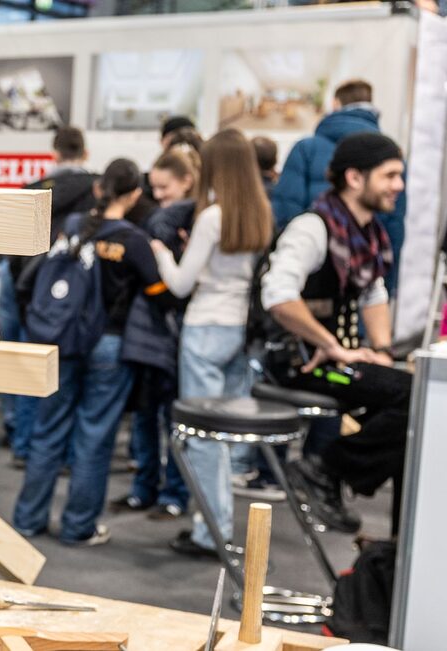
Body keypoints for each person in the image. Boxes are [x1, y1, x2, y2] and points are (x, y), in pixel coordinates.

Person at [12, 159, 176, 546]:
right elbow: (159, 293)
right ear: (135, 194)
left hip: (63, 339)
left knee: (48, 431)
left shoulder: (71, 227)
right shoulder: (133, 240)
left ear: (100, 189)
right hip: (109, 346)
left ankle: (27, 519)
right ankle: (78, 526)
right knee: (94, 436)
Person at [261, 133, 412, 534]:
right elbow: (277, 296)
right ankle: (323, 470)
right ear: (355, 177)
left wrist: (382, 351)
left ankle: (389, 531)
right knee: (411, 395)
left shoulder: (369, 232)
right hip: (301, 362)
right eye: (390, 175)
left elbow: (374, 293)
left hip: (339, 358)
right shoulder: (312, 227)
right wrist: (333, 346)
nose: (399, 185)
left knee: (412, 400)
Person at [151, 130, 273, 558]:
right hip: (237, 329)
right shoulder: (258, 212)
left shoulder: (211, 217)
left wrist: (162, 254)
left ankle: (213, 533)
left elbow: (181, 284)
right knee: (218, 436)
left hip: (204, 327)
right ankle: (216, 527)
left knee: (201, 437)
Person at [112, 145, 200, 520]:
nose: (158, 195)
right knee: (150, 416)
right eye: (155, 188)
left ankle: (172, 493)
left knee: (171, 419)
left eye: (165, 187)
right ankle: (150, 489)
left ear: (187, 181)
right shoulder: (161, 221)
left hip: (174, 332)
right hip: (152, 332)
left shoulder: (189, 221)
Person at [3, 126, 96, 467]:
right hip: (80, 301)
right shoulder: (97, 191)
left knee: (31, 374)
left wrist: (23, 289)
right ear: (84, 152)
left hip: (34, 295)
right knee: (72, 382)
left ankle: (24, 447)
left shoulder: (31, 191)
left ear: (54, 152)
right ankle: (65, 457)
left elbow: (13, 252)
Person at [271, 80, 406, 287]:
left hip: (310, 275)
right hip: (362, 274)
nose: (397, 185)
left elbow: (286, 209)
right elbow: (394, 226)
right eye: (390, 177)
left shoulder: (307, 149)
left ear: (335, 103)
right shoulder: (388, 156)